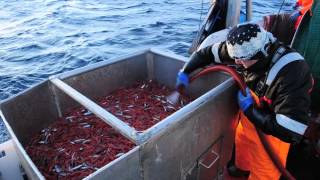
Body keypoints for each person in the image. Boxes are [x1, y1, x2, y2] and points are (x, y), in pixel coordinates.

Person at [176, 22, 313, 180]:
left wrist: (250, 110)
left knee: (264, 170)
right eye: (235, 59)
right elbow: (206, 53)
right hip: (251, 118)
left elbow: (290, 132)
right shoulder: (241, 48)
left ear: (260, 54)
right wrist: (185, 71)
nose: (237, 63)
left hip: (275, 130)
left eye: (241, 60)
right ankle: (241, 170)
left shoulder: (291, 72)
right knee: (242, 143)